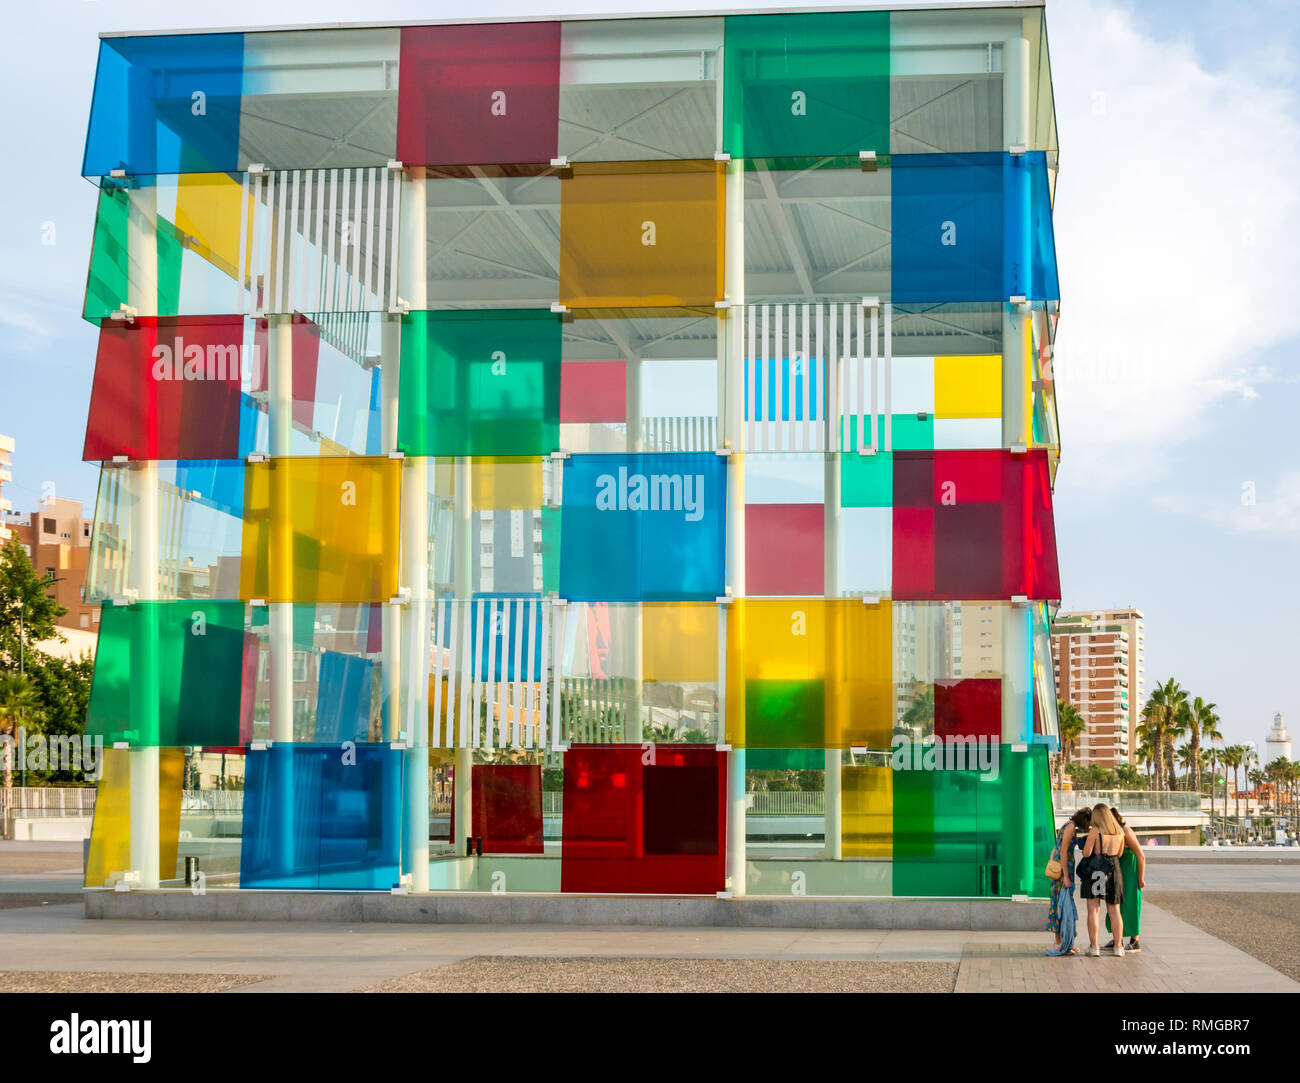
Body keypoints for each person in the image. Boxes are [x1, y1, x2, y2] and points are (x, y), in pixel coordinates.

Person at [1077, 803, 1126, 957]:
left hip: (1097, 871)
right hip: (1114, 869)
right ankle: (1118, 946)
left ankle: (1094, 947)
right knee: (1114, 910)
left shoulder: (1095, 832)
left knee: (1094, 910)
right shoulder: (1119, 832)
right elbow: (1120, 853)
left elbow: (1086, 853)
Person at [1046, 808, 1091, 955]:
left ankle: (1063, 940)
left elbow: (1057, 848)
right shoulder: (1071, 827)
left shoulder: (1068, 825)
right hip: (1064, 870)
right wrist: (1065, 875)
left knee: (1061, 903)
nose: (1088, 826)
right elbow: (1064, 851)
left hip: (1062, 867)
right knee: (1063, 905)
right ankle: (1060, 941)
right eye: (1088, 823)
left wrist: (1053, 859)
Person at [1105, 807, 1146, 953]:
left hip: (1131, 872)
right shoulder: (1114, 832)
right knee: (1117, 905)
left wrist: (1141, 879)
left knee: (1131, 904)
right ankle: (1118, 938)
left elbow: (1141, 856)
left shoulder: (1126, 831)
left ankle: (1135, 940)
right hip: (1119, 871)